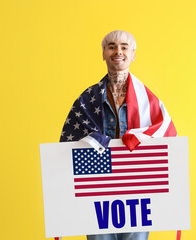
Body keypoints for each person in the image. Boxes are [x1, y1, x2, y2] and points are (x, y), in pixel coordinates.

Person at [58, 30, 180, 240]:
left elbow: (167, 137)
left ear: (133, 55)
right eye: (112, 46)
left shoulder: (149, 102)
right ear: (103, 54)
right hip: (97, 187)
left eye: (124, 47)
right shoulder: (86, 101)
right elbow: (68, 142)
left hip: (137, 187)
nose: (118, 51)